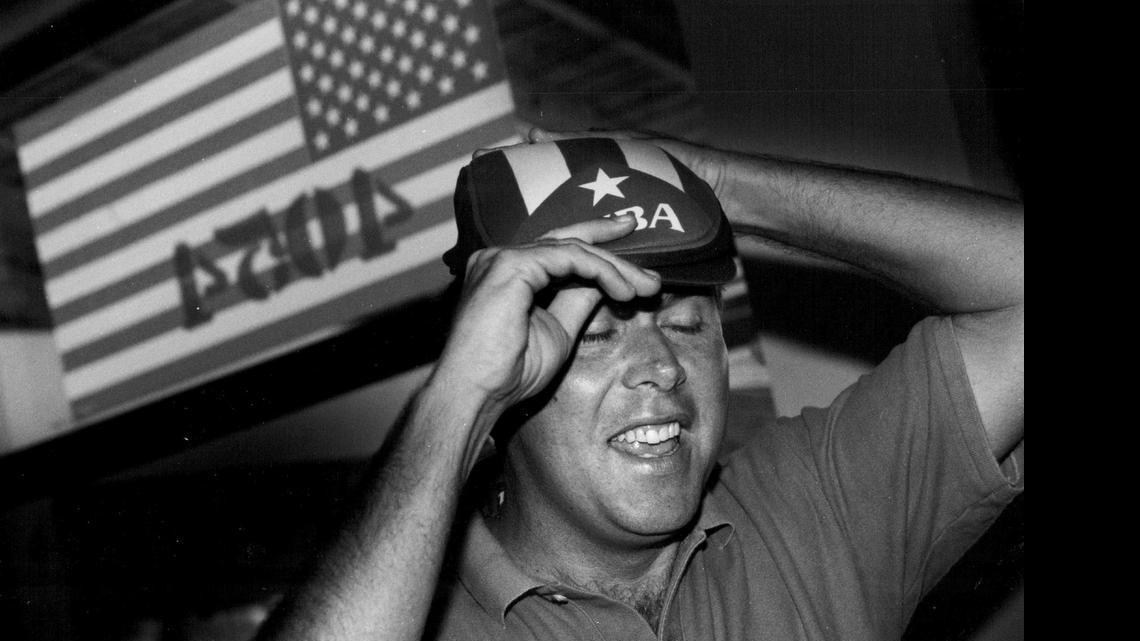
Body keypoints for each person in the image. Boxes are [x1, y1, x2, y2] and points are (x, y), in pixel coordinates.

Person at [255, 129, 1024, 641]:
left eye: (689, 326)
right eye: (593, 334)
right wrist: (456, 399)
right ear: (508, 378)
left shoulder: (813, 506)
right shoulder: (426, 611)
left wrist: (724, 184)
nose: (660, 364)